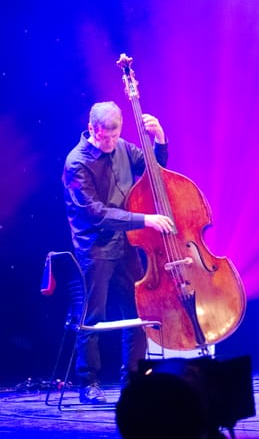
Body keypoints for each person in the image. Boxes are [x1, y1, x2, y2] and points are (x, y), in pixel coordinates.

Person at [62, 101, 175, 404]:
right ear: (91, 130)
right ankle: (88, 383)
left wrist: (159, 141)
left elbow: (155, 174)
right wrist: (144, 219)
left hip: (126, 244)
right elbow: (96, 213)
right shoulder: (77, 162)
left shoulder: (123, 148)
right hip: (95, 248)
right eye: (104, 138)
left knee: (136, 313)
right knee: (92, 316)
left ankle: (134, 380)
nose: (110, 144)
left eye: (115, 137)